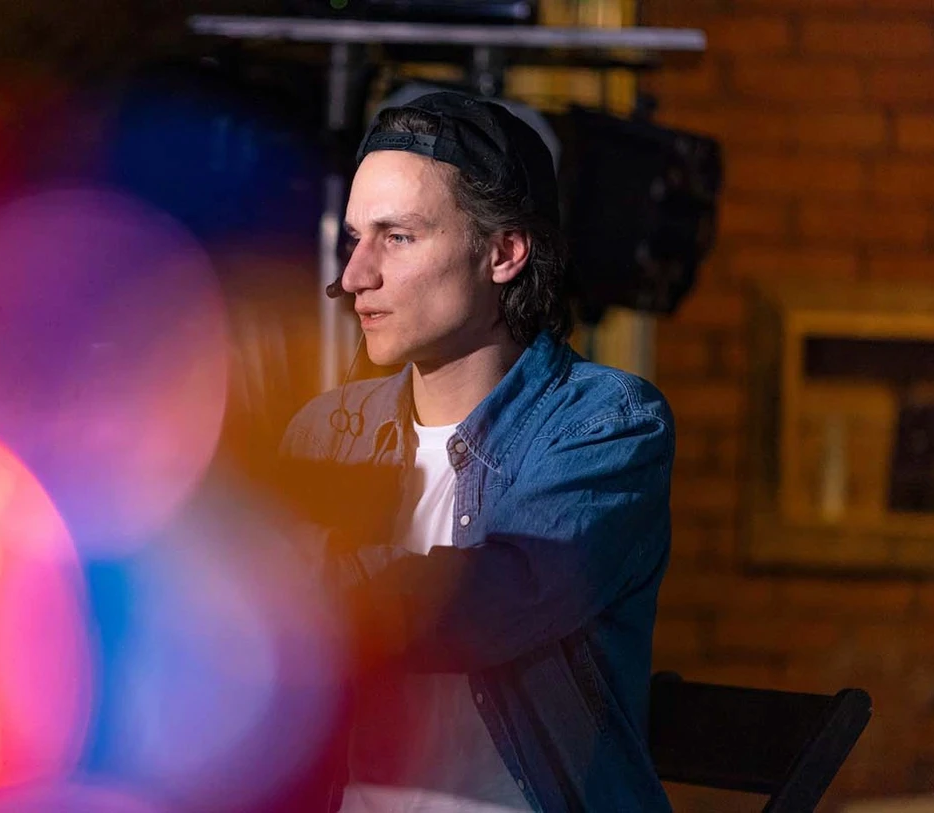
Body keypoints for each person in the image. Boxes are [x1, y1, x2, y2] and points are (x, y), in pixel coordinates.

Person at [278, 92, 675, 812]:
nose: (356, 276)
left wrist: (260, 578)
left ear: (503, 252)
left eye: (398, 237)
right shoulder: (327, 430)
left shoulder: (606, 424)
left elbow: (491, 601)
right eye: (355, 238)